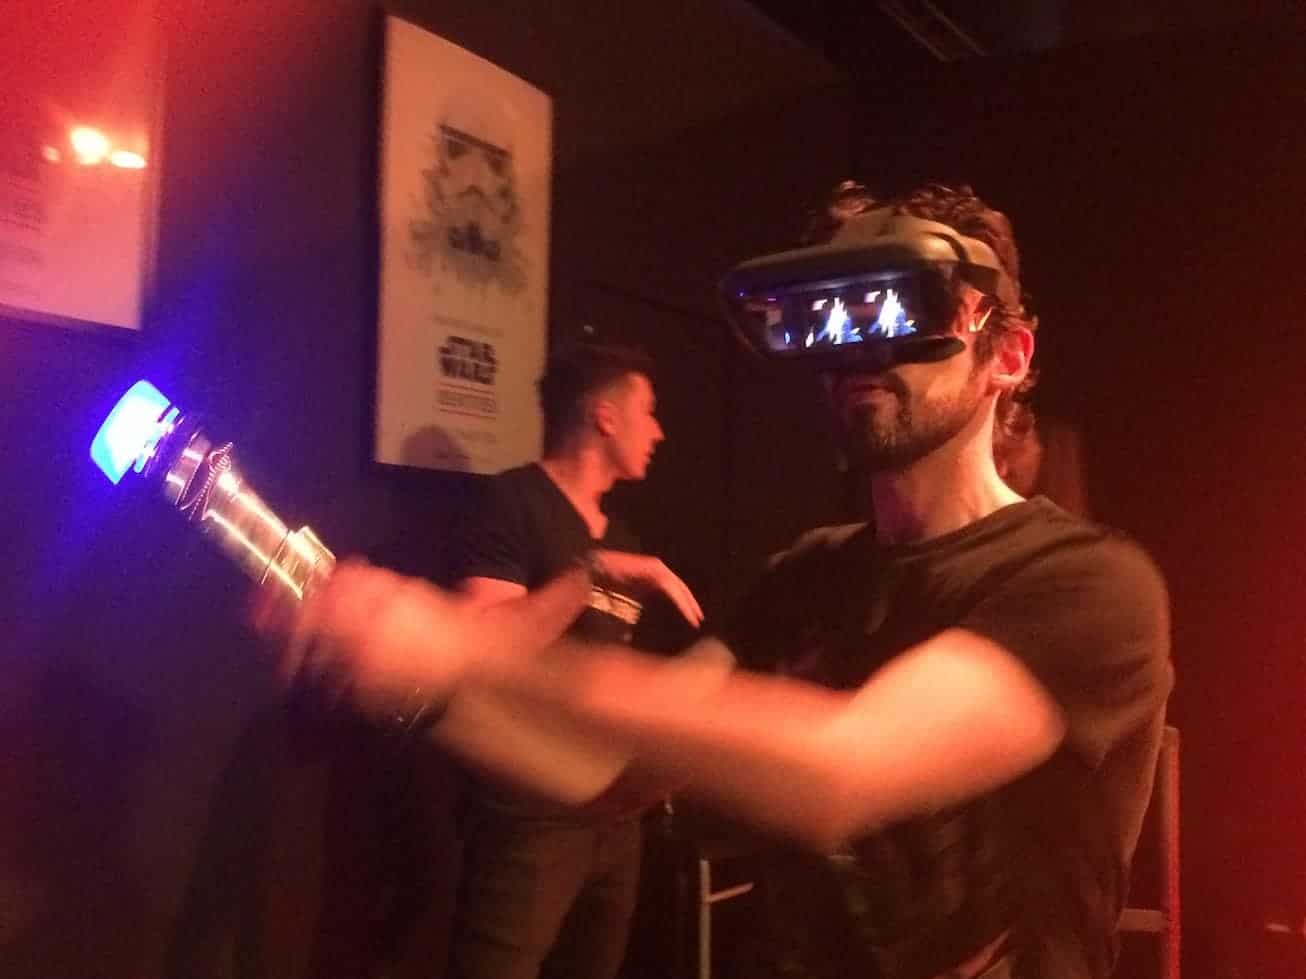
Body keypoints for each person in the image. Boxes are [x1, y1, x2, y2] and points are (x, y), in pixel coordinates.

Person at [265, 182, 1172, 979]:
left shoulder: (1088, 586)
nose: (863, 348)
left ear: (1005, 355)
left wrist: (461, 652)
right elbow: (611, 771)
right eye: (840, 314)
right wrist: (417, 683)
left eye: (902, 306)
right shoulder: (804, 576)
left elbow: (844, 768)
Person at [444, 341, 703, 979]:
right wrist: (590, 573)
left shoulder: (625, 538)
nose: (660, 433)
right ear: (606, 417)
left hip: (613, 818)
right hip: (532, 820)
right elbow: (484, 651)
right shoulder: (514, 501)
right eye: (649, 412)